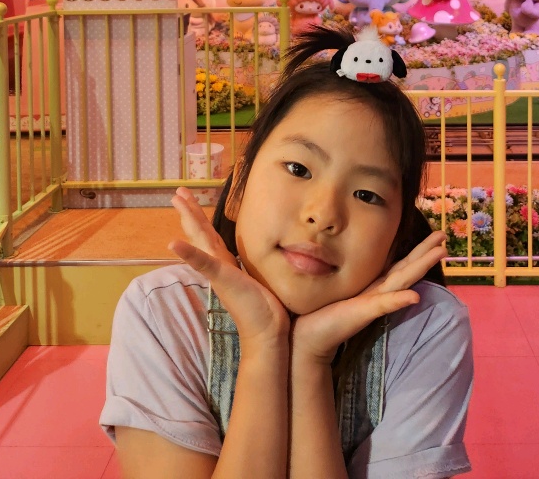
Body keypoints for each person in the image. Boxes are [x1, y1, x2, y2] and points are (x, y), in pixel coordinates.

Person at [100, 25, 474, 478]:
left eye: (367, 194)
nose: (323, 215)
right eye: (298, 168)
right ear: (237, 189)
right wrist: (263, 342)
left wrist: (310, 359)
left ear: (396, 239)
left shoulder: (423, 329)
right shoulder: (165, 314)